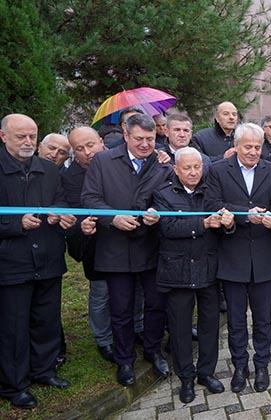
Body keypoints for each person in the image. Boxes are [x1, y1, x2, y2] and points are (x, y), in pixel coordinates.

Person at [81, 113, 173, 385]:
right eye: (139, 139)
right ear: (126, 135)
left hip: (151, 246)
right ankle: (124, 361)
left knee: (156, 304)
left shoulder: (162, 163)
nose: (146, 144)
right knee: (121, 308)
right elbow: (89, 198)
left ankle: (153, 351)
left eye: (151, 139)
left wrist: (158, 213)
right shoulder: (103, 161)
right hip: (115, 248)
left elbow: (169, 197)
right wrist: (113, 218)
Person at [205, 123, 271, 393]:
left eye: (258, 146)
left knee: (263, 319)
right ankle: (240, 365)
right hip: (233, 256)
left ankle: (262, 364)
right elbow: (212, 204)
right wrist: (245, 214)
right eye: (248, 147)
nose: (254, 152)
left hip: (264, 257)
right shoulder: (219, 170)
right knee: (236, 320)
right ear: (236, 146)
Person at [0, 114, 75, 409]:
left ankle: (44, 370)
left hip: (47, 258)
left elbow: (61, 201)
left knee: (46, 319)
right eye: (21, 136)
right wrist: (15, 224)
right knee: (13, 326)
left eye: (32, 136)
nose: (28, 142)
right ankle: (13, 384)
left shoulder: (48, 169)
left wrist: (61, 214)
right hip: (11, 262)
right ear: (4, 136)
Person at [152, 147, 230, 403]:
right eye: (187, 167)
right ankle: (185, 377)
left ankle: (206, 373)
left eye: (197, 167)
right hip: (178, 272)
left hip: (208, 269)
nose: (193, 172)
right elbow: (167, 227)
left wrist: (228, 224)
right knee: (180, 327)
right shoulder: (163, 195)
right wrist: (203, 224)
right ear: (176, 169)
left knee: (210, 326)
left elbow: (222, 223)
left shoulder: (211, 193)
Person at [63, 127, 112, 362]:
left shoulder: (119, 160)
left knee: (133, 290)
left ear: (101, 141)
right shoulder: (69, 177)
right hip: (93, 243)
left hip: (125, 239)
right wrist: (81, 226)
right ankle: (104, 339)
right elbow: (70, 211)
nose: (87, 152)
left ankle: (136, 328)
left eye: (90, 145)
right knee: (100, 293)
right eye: (79, 149)